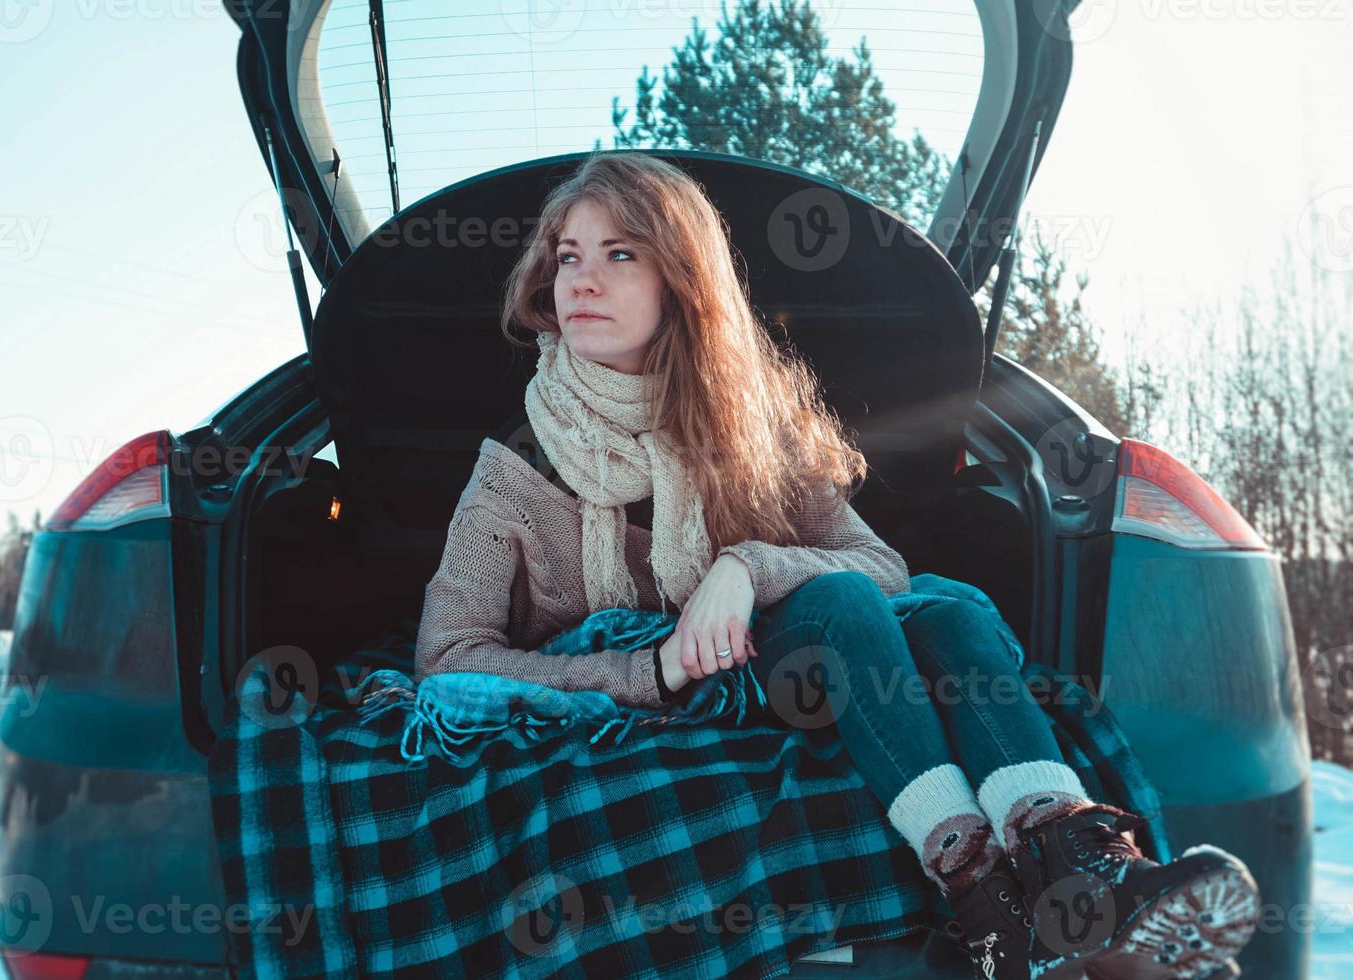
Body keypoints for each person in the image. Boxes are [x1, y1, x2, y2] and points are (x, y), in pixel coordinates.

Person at [413, 149, 1261, 979]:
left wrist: (743, 567)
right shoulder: (513, 474)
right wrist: (652, 666)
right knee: (855, 604)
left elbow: (877, 560)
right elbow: (446, 660)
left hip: (777, 655)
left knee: (948, 611)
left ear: (681, 282)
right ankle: (980, 889)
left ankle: (1076, 869)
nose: (583, 281)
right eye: (568, 258)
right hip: (670, 682)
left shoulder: (749, 433)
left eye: (619, 254)